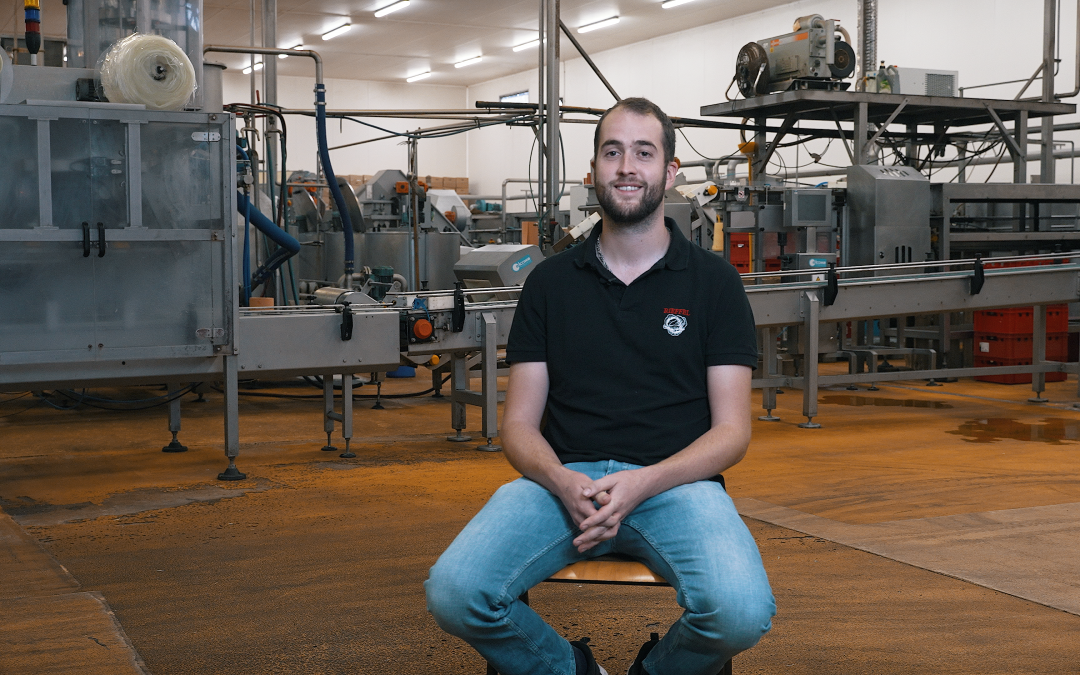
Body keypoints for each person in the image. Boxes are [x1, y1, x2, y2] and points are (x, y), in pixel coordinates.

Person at [425, 97, 775, 675]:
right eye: (612, 152)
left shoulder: (714, 283)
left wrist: (645, 482)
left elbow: (733, 431)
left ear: (671, 171)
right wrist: (561, 480)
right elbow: (518, 425)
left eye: (644, 152)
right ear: (592, 171)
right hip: (564, 486)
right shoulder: (550, 283)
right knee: (456, 593)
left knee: (739, 613)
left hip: (675, 485)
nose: (627, 167)